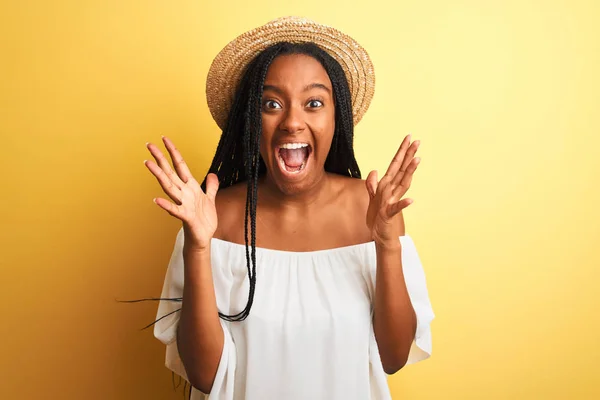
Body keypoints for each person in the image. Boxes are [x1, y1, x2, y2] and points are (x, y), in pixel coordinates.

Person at [145, 16, 435, 400]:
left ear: (337, 118)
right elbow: (203, 375)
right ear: (252, 121)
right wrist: (197, 248)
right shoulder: (213, 217)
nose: (293, 121)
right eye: (271, 104)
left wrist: (387, 244)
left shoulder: (374, 211)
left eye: (313, 103)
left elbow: (393, 357)